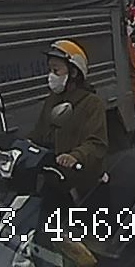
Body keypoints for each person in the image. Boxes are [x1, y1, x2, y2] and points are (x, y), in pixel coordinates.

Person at [30, 40, 108, 200]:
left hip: (82, 181)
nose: (51, 76)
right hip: (54, 177)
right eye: (50, 70)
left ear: (73, 72)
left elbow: (97, 144)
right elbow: (40, 133)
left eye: (56, 70)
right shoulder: (52, 99)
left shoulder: (92, 103)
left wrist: (75, 156)